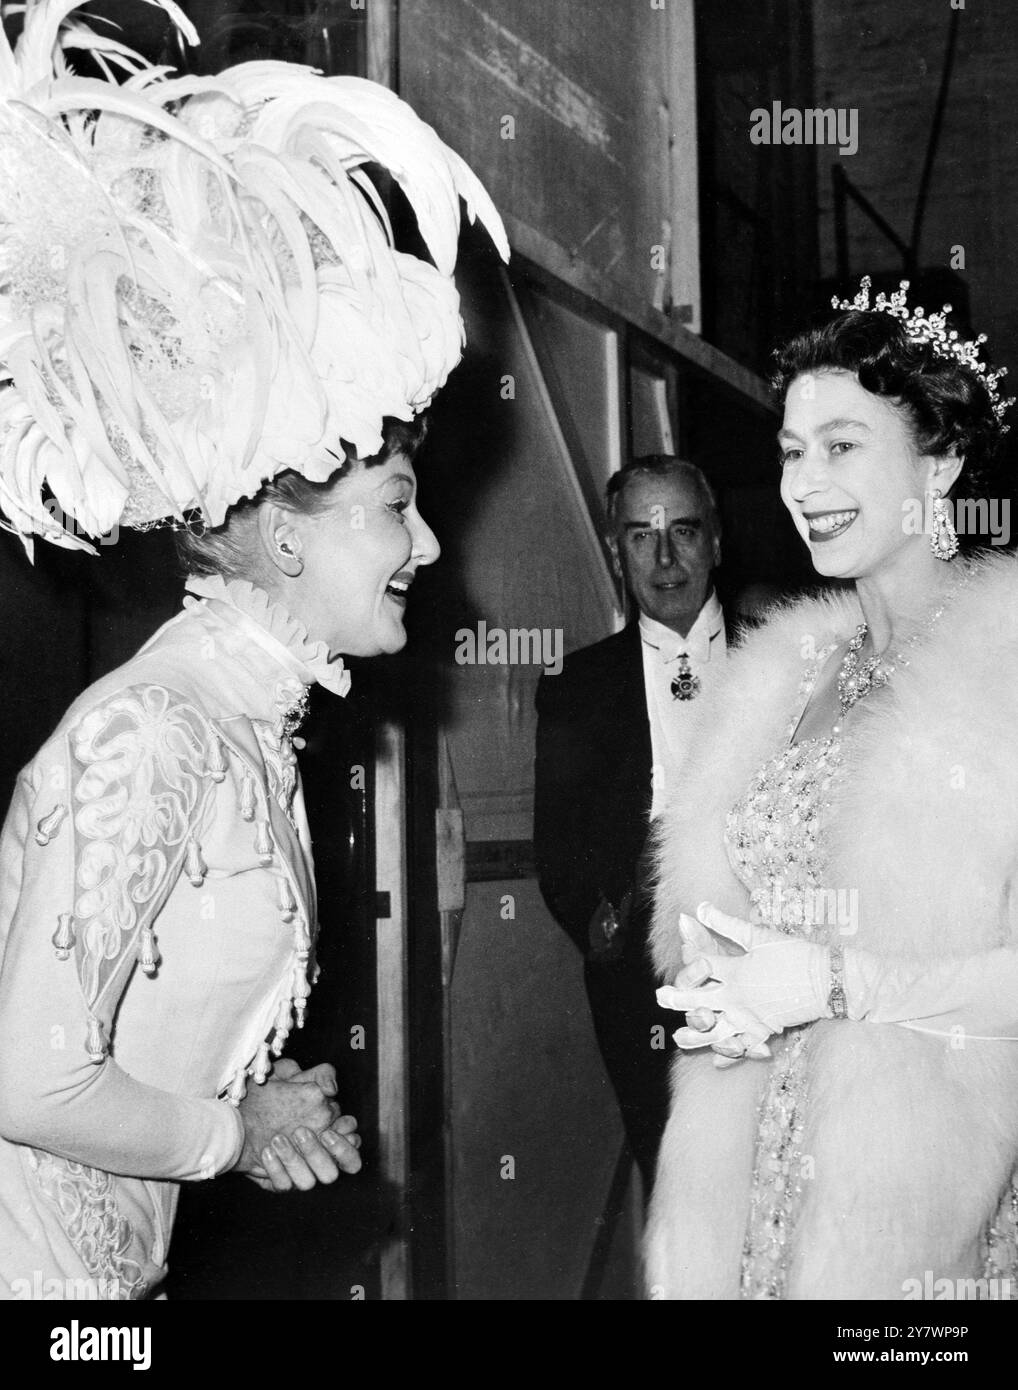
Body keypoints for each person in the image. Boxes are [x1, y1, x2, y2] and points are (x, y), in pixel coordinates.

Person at [0, 0, 507, 1300]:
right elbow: (26, 1074)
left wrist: (241, 1082)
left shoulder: (238, 722)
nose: (430, 546)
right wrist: (240, 1132)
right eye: (396, 502)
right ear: (282, 536)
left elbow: (125, 1032)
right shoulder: (148, 734)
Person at [645, 277, 1018, 1299]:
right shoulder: (784, 675)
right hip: (756, 1162)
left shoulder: (1006, 674)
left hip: (928, 1192)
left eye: (843, 446)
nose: (805, 483)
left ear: (938, 465)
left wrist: (836, 985)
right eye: (792, 453)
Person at [534, 456, 726, 1191]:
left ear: (716, 540)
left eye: (684, 530)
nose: (667, 557)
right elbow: (557, 847)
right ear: (616, 551)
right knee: (672, 1173)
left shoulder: (788, 656)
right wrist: (599, 918)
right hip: (642, 977)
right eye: (642, 537)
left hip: (769, 952)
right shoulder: (576, 686)